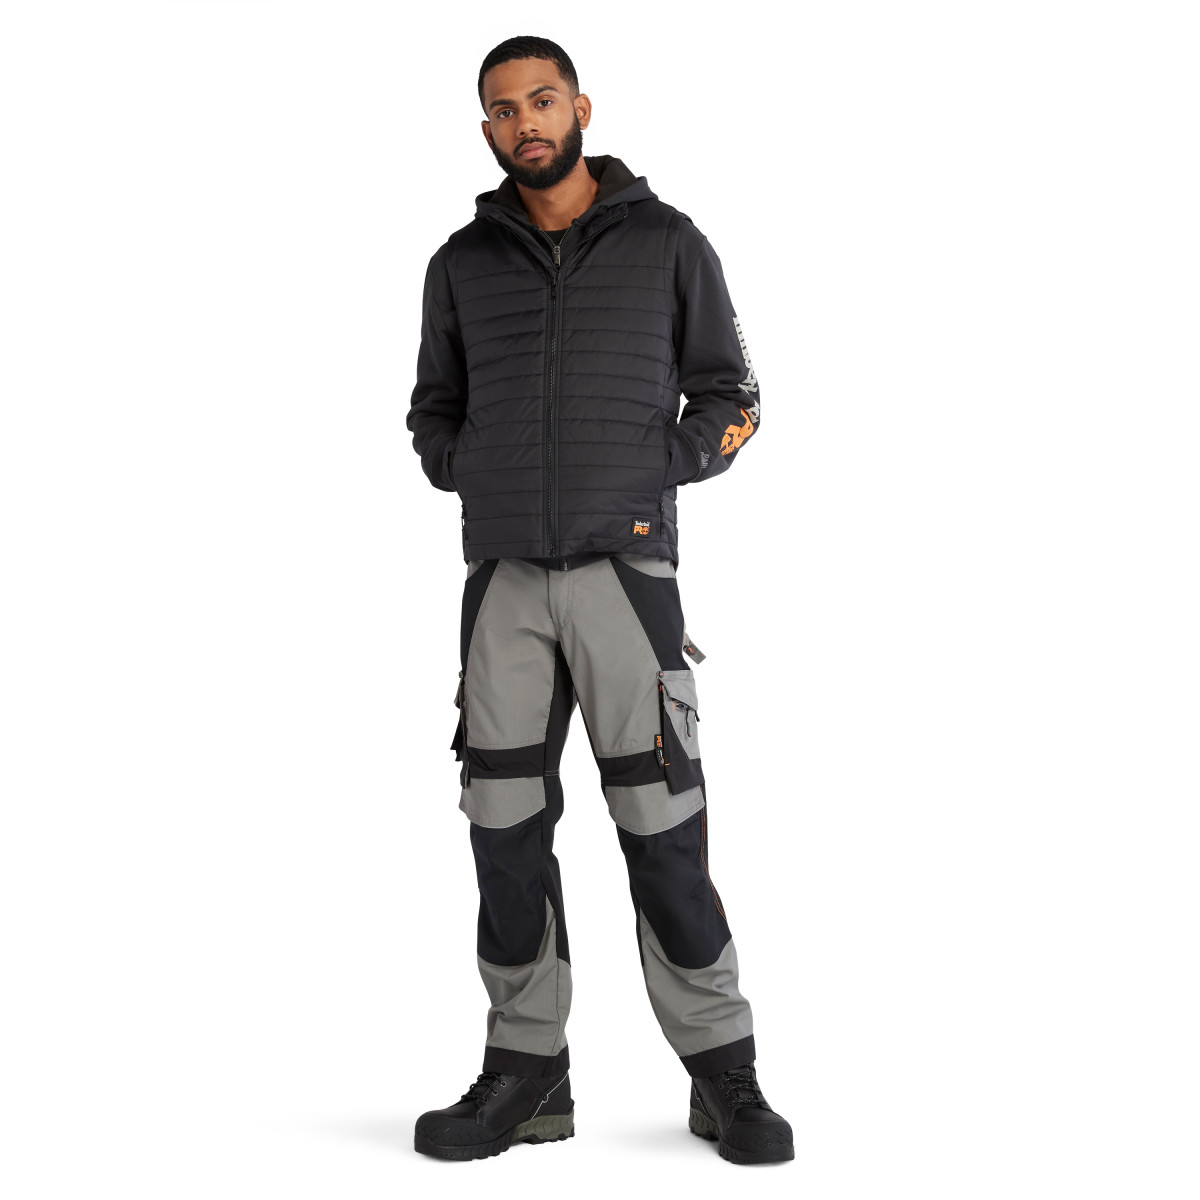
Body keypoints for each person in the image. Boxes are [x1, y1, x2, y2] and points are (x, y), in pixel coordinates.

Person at [406, 35, 792, 1166]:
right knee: (503, 829)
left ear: (581, 107)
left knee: (663, 825)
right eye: (502, 109)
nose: (524, 121)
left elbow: (734, 393)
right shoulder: (460, 264)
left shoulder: (669, 243)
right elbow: (432, 410)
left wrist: (655, 466)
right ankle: (527, 1072)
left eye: (541, 100)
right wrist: (466, 466)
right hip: (505, 584)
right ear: (487, 129)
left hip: (627, 580)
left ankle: (724, 1072)